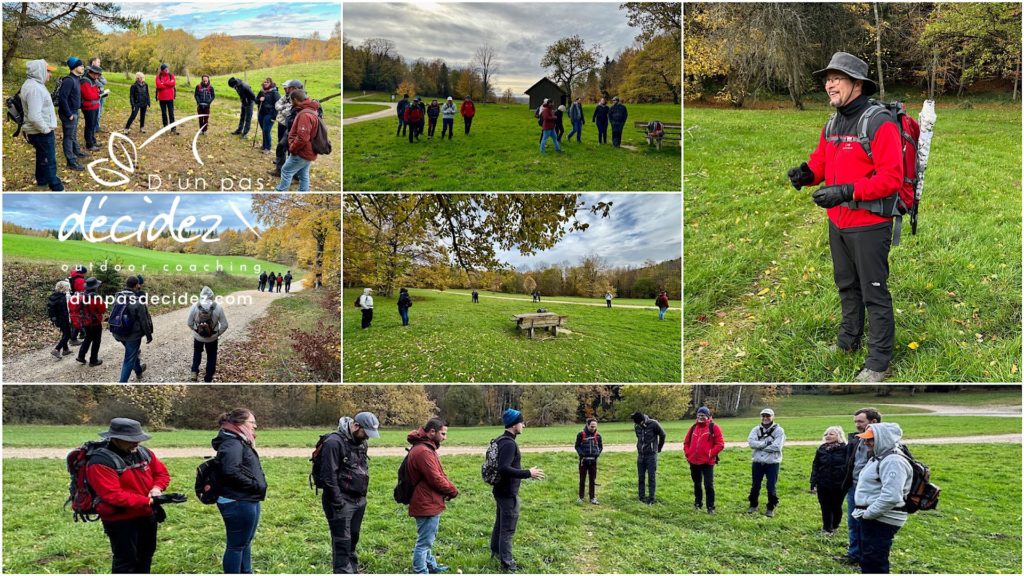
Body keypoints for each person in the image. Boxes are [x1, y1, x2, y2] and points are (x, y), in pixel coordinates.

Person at [788, 52, 903, 383]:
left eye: (837, 77)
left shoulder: (878, 122)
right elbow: (821, 163)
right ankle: (847, 341)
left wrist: (846, 192)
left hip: (869, 226)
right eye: (827, 78)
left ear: (857, 84)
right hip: (838, 223)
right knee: (846, 286)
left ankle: (878, 363)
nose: (829, 83)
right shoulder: (833, 123)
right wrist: (805, 174)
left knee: (874, 292)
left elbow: (891, 179)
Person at [86, 418, 171, 574]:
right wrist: (149, 501)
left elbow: (161, 473)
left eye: (138, 439)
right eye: (130, 440)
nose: (136, 443)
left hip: (146, 514)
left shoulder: (144, 452)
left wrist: (157, 488)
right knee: (126, 560)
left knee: (146, 555)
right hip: (120, 519)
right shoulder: (99, 462)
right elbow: (113, 495)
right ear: (115, 438)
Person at [317, 412, 380, 574]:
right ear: (355, 425)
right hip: (340, 502)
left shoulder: (361, 442)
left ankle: (352, 570)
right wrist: (338, 502)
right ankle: (342, 571)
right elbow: (328, 476)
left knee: (353, 539)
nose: (367, 437)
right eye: (365, 433)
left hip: (359, 500)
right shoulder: (333, 443)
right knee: (342, 543)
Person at [852, 423, 913, 574]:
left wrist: (869, 513)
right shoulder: (880, 456)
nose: (866, 443)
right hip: (874, 517)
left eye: (870, 440)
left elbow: (891, 496)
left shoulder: (893, 461)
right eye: (865, 440)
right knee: (868, 558)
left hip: (882, 519)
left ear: (883, 439)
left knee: (874, 562)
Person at [212, 409, 267, 574]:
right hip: (237, 501)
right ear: (239, 424)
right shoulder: (232, 443)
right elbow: (230, 471)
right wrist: (254, 485)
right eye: (251, 422)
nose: (255, 426)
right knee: (236, 546)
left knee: (244, 543)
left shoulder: (239, 440)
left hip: (247, 498)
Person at [491, 409, 545, 572]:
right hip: (507, 493)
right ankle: (507, 564)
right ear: (514, 425)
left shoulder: (501, 440)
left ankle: (495, 553)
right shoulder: (508, 443)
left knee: (500, 524)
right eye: (521, 422)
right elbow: (503, 468)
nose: (523, 425)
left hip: (501, 490)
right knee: (507, 529)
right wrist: (528, 473)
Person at [406, 418, 459, 574]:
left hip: (428, 499)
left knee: (428, 539)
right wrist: (452, 490)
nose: (445, 437)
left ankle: (430, 565)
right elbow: (435, 478)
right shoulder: (423, 451)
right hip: (426, 501)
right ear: (432, 432)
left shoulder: (425, 447)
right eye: (443, 434)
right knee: (424, 542)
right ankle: (421, 570)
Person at [838, 407, 883, 565]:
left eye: (860, 421)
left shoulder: (882, 442)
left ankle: (868, 557)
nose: (857, 424)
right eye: (855, 421)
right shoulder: (857, 439)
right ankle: (854, 554)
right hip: (854, 488)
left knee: (868, 525)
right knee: (853, 522)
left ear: (873, 422)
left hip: (872, 491)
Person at [19, 59, 64, 190]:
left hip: (38, 131)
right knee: (49, 161)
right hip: (40, 132)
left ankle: (41, 181)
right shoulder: (35, 89)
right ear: (40, 71)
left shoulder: (34, 85)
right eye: (48, 71)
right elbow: (34, 116)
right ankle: (56, 187)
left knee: (42, 157)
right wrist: (46, 130)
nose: (50, 74)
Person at [275, 89, 321, 192]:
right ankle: (303, 192)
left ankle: (280, 191)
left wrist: (293, 148)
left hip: (302, 151)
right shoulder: (311, 109)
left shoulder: (304, 114)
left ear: (295, 99)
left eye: (291, 100)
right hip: (309, 151)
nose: (291, 103)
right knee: (303, 174)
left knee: (286, 170)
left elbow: (302, 138)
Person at [112, 276, 154, 383]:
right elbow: (144, 321)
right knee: (129, 359)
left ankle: (139, 370)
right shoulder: (138, 302)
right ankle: (122, 383)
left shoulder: (117, 297)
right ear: (136, 285)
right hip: (132, 336)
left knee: (132, 353)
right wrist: (149, 335)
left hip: (117, 332)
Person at [683, 406, 724, 514]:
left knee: (708, 485)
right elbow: (686, 443)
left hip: (708, 462)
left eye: (703, 415)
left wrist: (710, 454)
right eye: (699, 415)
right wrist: (688, 454)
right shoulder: (693, 428)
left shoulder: (714, 427)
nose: (701, 417)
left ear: (708, 416)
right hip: (693, 461)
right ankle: (698, 503)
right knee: (697, 483)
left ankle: (710, 507)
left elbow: (720, 444)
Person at [747, 408, 786, 517]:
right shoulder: (755, 429)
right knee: (755, 485)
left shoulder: (779, 431)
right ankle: (753, 505)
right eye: (763, 416)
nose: (765, 418)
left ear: (773, 417)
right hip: (757, 462)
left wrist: (759, 446)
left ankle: (771, 507)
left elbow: (777, 446)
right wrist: (766, 443)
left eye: (768, 416)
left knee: (771, 486)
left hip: (772, 463)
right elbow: (751, 443)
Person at [811, 426, 848, 536]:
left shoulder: (845, 449)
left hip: (839, 484)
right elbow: (816, 466)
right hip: (823, 483)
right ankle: (827, 528)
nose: (828, 436)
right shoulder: (821, 449)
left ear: (839, 436)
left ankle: (835, 526)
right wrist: (813, 482)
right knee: (825, 506)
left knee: (836, 506)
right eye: (826, 434)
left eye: (831, 434)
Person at [187, 286, 229, 382]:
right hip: (212, 338)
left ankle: (194, 372)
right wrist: (216, 334)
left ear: (201, 295)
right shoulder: (217, 307)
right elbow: (225, 325)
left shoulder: (195, 306)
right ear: (212, 295)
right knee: (211, 356)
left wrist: (196, 331)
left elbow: (189, 322)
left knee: (197, 353)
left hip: (198, 337)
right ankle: (208, 377)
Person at [57, 57, 87, 171]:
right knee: (68, 137)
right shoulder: (69, 80)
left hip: (75, 111)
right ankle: (71, 161)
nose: (83, 67)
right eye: (80, 66)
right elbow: (62, 98)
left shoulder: (77, 79)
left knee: (73, 134)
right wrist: (69, 114)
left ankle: (77, 151)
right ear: (74, 67)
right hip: (69, 114)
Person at [630, 411, 666, 504]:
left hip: (651, 455)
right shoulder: (637, 426)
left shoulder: (654, 424)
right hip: (641, 455)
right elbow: (639, 438)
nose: (638, 425)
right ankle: (641, 496)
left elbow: (663, 435)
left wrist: (659, 447)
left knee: (651, 477)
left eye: (639, 423)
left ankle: (651, 497)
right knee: (641, 477)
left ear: (643, 420)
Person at [70, 276, 106, 366]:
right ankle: (93, 360)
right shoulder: (96, 298)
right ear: (95, 287)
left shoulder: (81, 296)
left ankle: (81, 356)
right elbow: (103, 310)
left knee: (88, 338)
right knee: (96, 341)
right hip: (95, 323)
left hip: (85, 322)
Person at [272, 80, 303, 177]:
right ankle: (280, 169)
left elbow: (288, 112)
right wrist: (283, 108)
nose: (289, 90)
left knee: (292, 149)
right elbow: (277, 105)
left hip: (295, 127)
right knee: (281, 146)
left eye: (292, 88)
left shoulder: (301, 98)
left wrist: (283, 109)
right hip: (285, 124)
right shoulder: (287, 96)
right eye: (290, 88)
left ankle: (294, 173)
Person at [574, 418, 603, 504]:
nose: (593, 428)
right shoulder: (581, 434)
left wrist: (597, 454)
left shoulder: (598, 436)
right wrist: (581, 454)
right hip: (583, 461)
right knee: (582, 479)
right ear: (587, 425)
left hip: (593, 461)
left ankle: (592, 498)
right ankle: (581, 497)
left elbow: (601, 447)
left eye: (595, 426)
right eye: (591, 426)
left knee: (592, 480)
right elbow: (577, 446)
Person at [47, 280, 73, 358]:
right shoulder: (63, 298)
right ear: (64, 288)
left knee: (64, 333)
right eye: (67, 287)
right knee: (68, 335)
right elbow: (66, 309)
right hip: (64, 319)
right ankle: (57, 349)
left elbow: (51, 309)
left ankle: (65, 349)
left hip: (57, 319)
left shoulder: (54, 296)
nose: (68, 288)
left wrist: (53, 318)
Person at [80, 65, 103, 151]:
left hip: (95, 106)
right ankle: (89, 144)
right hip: (88, 107)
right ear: (92, 73)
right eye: (97, 74)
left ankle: (93, 141)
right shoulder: (85, 81)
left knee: (93, 125)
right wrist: (98, 95)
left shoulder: (93, 80)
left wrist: (100, 93)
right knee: (89, 126)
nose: (98, 76)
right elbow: (88, 96)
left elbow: (96, 91)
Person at [256, 78, 279, 152]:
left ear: (271, 83)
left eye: (267, 82)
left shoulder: (275, 93)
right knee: (263, 130)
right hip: (261, 113)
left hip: (270, 114)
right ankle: (264, 145)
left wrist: (274, 117)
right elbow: (256, 100)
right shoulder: (261, 91)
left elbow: (278, 105)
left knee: (266, 130)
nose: (265, 83)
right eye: (264, 82)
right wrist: (260, 99)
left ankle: (268, 148)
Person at [154, 64, 178, 134]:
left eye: (167, 68)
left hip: (170, 98)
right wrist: (168, 84)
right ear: (162, 70)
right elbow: (159, 86)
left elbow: (173, 84)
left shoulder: (171, 76)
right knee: (164, 113)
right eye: (165, 69)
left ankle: (173, 128)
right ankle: (165, 126)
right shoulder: (158, 76)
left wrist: (163, 83)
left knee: (171, 113)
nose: (167, 70)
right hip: (162, 98)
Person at [67, 265, 87, 343]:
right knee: (79, 318)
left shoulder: (71, 277)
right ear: (83, 273)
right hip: (77, 301)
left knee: (75, 317)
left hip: (70, 300)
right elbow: (82, 292)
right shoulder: (80, 280)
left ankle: (82, 333)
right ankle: (73, 338)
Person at [89, 56, 107, 131]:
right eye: (98, 62)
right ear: (93, 62)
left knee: (99, 111)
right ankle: (94, 127)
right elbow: (98, 83)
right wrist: (99, 80)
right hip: (94, 95)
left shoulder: (99, 71)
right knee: (96, 112)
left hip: (100, 94)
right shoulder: (89, 70)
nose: (99, 63)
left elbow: (104, 82)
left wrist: (99, 79)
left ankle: (97, 126)